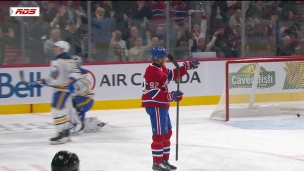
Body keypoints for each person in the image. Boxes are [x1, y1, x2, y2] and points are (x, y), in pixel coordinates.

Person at [141, 46, 200, 171]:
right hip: (155, 105)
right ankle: (157, 163)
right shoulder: (152, 71)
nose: (166, 59)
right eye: (164, 57)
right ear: (158, 58)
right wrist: (171, 95)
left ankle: (164, 160)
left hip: (162, 105)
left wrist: (186, 67)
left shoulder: (161, 68)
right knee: (159, 134)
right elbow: (154, 94)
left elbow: (172, 75)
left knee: (167, 133)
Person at [32, 40, 79, 145]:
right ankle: (65, 133)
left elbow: (75, 72)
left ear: (62, 49)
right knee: (60, 111)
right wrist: (42, 81)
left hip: (63, 90)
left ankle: (61, 134)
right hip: (57, 90)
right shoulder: (54, 60)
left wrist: (71, 81)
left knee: (56, 111)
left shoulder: (67, 59)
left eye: (56, 47)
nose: (54, 49)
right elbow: (52, 76)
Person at [68, 55, 107, 135]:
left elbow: (79, 88)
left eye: (71, 62)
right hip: (79, 99)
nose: (69, 64)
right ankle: (94, 122)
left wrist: (72, 85)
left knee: (71, 104)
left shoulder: (85, 74)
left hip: (85, 99)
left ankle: (84, 125)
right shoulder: (69, 74)